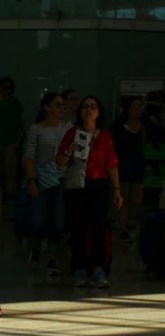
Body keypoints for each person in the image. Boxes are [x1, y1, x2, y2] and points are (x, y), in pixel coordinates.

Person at [56, 96, 123, 288]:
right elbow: (59, 161)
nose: (89, 110)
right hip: (77, 185)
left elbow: (111, 164)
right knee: (77, 228)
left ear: (99, 112)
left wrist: (117, 189)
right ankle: (78, 268)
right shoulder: (72, 133)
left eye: (93, 106)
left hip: (99, 185)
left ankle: (98, 268)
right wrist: (69, 151)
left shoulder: (105, 136)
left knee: (99, 228)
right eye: (85, 106)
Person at [23, 92, 70, 281]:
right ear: (47, 108)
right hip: (42, 178)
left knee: (57, 220)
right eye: (57, 105)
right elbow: (29, 156)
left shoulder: (68, 128)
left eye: (62, 105)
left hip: (61, 178)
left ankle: (52, 256)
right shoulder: (37, 129)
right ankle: (35, 241)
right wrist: (31, 180)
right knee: (39, 219)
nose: (61, 108)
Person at [110, 96, 147, 242]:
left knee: (136, 198)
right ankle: (122, 227)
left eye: (139, 107)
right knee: (123, 197)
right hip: (122, 165)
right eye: (134, 107)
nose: (138, 110)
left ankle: (130, 223)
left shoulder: (143, 125)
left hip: (137, 165)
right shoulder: (119, 126)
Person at [0, 76, 25, 201]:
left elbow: (20, 121)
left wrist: (22, 138)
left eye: (8, 87)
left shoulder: (14, 102)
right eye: (3, 87)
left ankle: (9, 196)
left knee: (10, 172)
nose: (6, 90)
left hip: (11, 142)